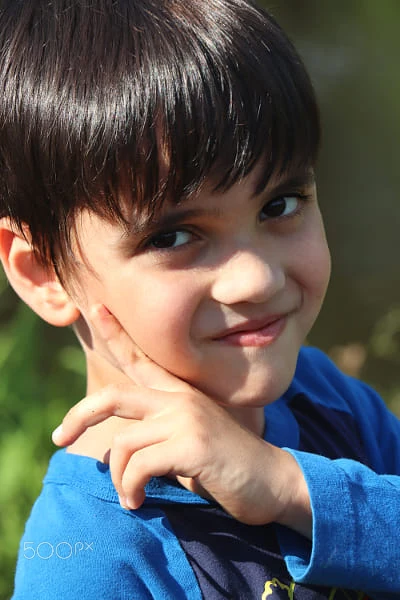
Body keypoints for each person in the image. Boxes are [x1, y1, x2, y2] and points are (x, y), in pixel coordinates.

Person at [0, 0, 398, 598]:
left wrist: (289, 488)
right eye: (173, 237)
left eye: (280, 204)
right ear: (44, 274)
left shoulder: (326, 398)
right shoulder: (87, 563)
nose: (257, 280)